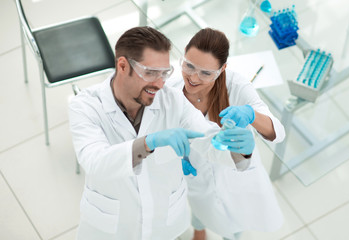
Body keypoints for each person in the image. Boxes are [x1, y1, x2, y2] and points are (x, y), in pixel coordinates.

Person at [69, 26, 255, 240]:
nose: (159, 84)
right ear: (122, 66)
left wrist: (239, 148)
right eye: (150, 73)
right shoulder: (85, 106)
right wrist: (148, 142)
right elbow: (95, 161)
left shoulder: (172, 100)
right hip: (112, 225)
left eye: (165, 73)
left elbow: (207, 140)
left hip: (162, 222)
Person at [167, 28, 286, 240]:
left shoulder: (237, 86)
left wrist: (251, 114)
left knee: (234, 221)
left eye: (206, 73)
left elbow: (277, 131)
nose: (193, 78)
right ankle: (199, 229)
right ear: (183, 55)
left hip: (235, 174)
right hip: (195, 171)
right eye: (189, 66)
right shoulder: (172, 91)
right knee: (200, 203)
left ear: (222, 69)